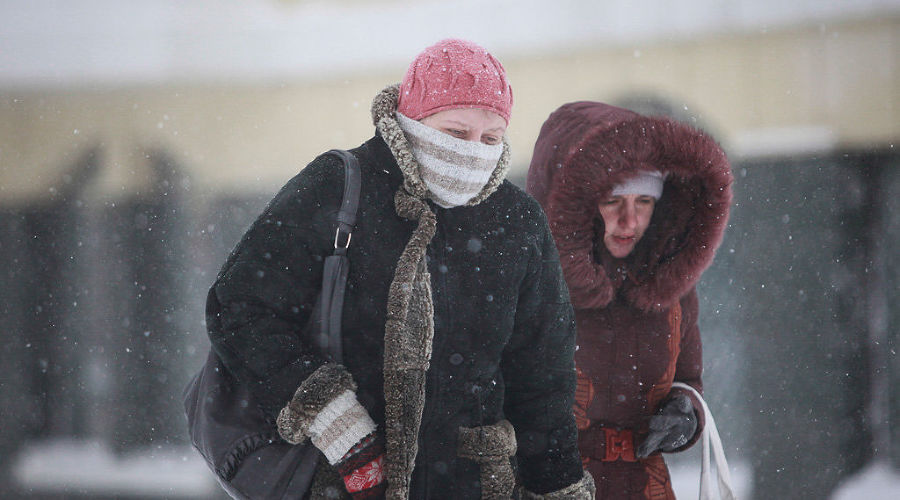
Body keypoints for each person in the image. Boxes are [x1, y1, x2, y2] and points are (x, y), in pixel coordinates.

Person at [206, 39, 595, 499]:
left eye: (491, 138)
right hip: (343, 478)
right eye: (456, 133)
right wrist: (338, 424)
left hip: (474, 486)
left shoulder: (517, 221)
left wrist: (558, 486)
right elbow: (239, 307)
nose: (473, 152)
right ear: (412, 121)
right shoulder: (339, 184)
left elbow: (543, 377)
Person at [525, 101, 733, 499]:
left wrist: (684, 415)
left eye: (645, 201)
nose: (630, 220)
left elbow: (686, 382)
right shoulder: (528, 284)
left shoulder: (671, 285)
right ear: (579, 207)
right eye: (612, 201)